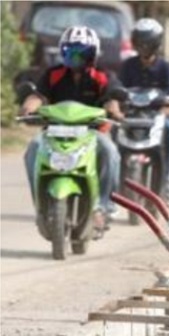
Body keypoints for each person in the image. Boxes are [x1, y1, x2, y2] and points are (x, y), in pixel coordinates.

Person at [19, 26, 123, 231]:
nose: (76, 57)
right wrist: (28, 107)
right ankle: (40, 207)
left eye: (82, 52)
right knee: (32, 149)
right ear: (62, 52)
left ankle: (102, 207)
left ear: (93, 53)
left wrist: (114, 110)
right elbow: (38, 96)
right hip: (54, 132)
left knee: (110, 152)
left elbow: (112, 98)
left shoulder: (102, 76)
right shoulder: (53, 74)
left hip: (92, 133)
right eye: (70, 52)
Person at [119, 18, 169, 200]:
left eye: (148, 43)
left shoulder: (165, 68)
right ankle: (116, 178)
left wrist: (165, 108)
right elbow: (119, 88)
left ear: (156, 44)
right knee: (115, 130)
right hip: (131, 115)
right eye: (140, 43)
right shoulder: (128, 66)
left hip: (156, 116)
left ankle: (166, 175)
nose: (144, 47)